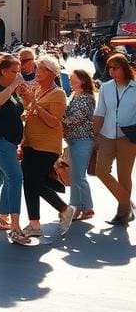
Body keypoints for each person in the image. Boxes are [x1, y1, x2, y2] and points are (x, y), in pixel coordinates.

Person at [19, 55, 75, 237]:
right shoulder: (37, 90)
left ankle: (52, 215)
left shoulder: (58, 93)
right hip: (30, 143)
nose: (37, 71)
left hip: (47, 145)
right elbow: (29, 114)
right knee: (30, 181)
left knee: (32, 181)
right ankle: (38, 222)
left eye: (41, 69)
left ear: (52, 73)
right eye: (37, 68)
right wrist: (26, 101)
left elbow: (54, 122)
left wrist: (34, 104)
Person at [0, 53, 30, 243]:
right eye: (13, 71)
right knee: (16, 177)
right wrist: (12, 87)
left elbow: (19, 111)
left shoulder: (13, 90)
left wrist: (25, 95)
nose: (18, 75)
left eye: (19, 71)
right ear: (2, 71)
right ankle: (15, 228)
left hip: (9, 141)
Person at [93, 53, 136, 226]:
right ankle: (127, 202)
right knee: (101, 171)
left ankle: (122, 213)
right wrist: (94, 134)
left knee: (124, 175)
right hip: (107, 134)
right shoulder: (106, 87)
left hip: (129, 137)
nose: (111, 71)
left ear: (124, 68)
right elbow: (100, 111)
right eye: (109, 68)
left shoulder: (134, 87)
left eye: (115, 68)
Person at [64, 68, 97, 222]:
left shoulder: (86, 98)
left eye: (73, 78)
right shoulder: (73, 95)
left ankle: (87, 207)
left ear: (82, 80)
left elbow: (77, 117)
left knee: (78, 176)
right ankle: (76, 208)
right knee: (74, 176)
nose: (70, 80)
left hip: (83, 140)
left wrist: (57, 122)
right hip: (73, 140)